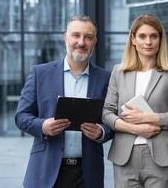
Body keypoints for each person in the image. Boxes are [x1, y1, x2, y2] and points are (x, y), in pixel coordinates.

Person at [15, 15, 113, 188]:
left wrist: (101, 132)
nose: (81, 42)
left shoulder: (106, 79)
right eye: (76, 35)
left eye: (88, 37)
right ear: (65, 37)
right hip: (45, 172)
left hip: (87, 174)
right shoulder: (40, 73)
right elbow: (21, 116)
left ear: (94, 41)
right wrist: (43, 126)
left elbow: (113, 120)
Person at [102, 14, 168, 188]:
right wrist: (136, 128)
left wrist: (147, 117)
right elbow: (107, 112)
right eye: (142, 36)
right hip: (124, 157)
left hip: (160, 157)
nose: (148, 42)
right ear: (133, 39)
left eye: (154, 36)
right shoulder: (118, 72)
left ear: (160, 40)